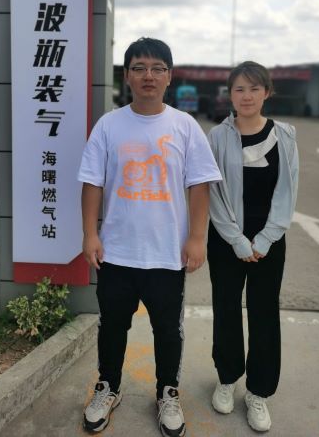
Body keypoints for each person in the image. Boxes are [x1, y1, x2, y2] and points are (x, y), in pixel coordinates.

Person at [78, 37, 221, 436]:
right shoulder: (109, 125)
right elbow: (91, 182)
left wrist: (197, 238)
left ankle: (167, 393)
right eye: (139, 68)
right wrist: (90, 234)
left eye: (158, 68)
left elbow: (200, 185)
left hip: (166, 254)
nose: (148, 76)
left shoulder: (184, 126)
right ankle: (108, 387)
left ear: (169, 77)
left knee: (168, 331)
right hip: (117, 252)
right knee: (112, 326)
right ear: (127, 76)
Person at [207, 61, 299, 432]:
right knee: (226, 308)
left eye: (254, 88)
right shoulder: (217, 136)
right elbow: (213, 192)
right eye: (239, 89)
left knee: (264, 313)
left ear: (267, 92)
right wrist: (236, 240)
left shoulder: (285, 135)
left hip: (269, 243)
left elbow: (288, 191)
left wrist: (263, 239)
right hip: (225, 239)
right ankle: (227, 378)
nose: (246, 96)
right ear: (229, 94)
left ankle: (258, 391)